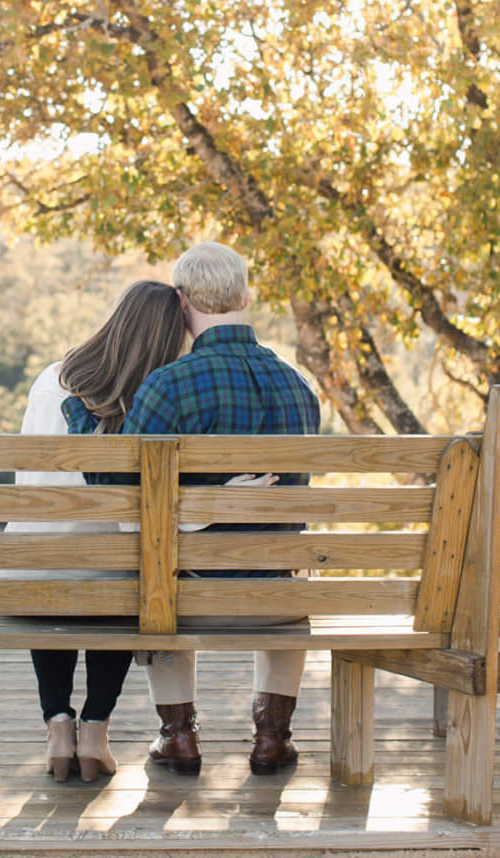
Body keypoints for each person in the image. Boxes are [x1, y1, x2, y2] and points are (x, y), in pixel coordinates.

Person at [70, 242, 320, 775]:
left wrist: (78, 417)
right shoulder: (299, 387)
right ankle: (272, 736)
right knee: (286, 573)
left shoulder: (169, 384)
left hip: (188, 597)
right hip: (278, 598)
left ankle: (178, 735)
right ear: (246, 296)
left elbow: (119, 489)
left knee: (163, 566)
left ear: (183, 303)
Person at [7, 280, 186, 782]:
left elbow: (26, 479)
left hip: (28, 569)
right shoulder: (147, 399)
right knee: (119, 576)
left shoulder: (52, 378)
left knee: (52, 563)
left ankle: (58, 724)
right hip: (108, 579)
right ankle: (95, 731)